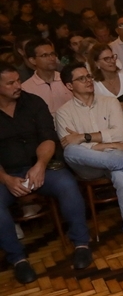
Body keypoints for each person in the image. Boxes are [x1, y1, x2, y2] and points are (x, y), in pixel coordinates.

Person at [55, 63, 123, 253]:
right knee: (70, 151)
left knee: (121, 176)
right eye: (81, 78)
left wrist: (84, 137)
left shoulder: (110, 102)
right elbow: (70, 145)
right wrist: (106, 144)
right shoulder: (63, 112)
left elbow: (120, 134)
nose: (88, 81)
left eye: (89, 76)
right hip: (89, 167)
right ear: (69, 85)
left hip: (116, 157)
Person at [0, 63, 92, 283]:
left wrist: (40, 165)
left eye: (18, 80)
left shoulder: (33, 102)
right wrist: (6, 179)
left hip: (40, 166)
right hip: (5, 174)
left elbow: (48, 138)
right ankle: (18, 259)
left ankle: (81, 244)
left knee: (67, 184)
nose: (18, 85)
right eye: (10, 83)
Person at [21, 39, 73, 114]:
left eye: (53, 54)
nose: (52, 58)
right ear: (33, 60)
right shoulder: (25, 89)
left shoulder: (69, 79)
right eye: (44, 55)